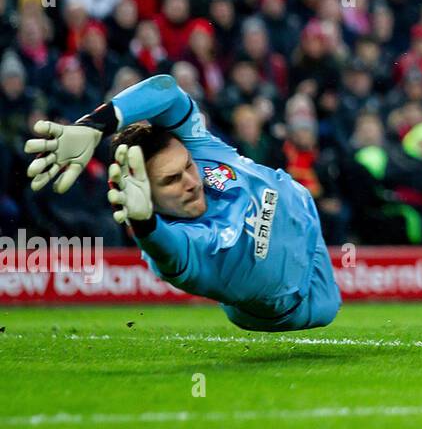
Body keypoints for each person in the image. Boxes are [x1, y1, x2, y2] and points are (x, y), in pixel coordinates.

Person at [24, 74, 340, 331]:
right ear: (146, 197)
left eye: (187, 166)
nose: (192, 181)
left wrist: (95, 125)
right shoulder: (185, 243)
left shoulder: (196, 146)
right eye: (171, 181)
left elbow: (166, 89)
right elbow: (168, 252)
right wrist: (144, 223)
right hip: (305, 298)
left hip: (306, 213)